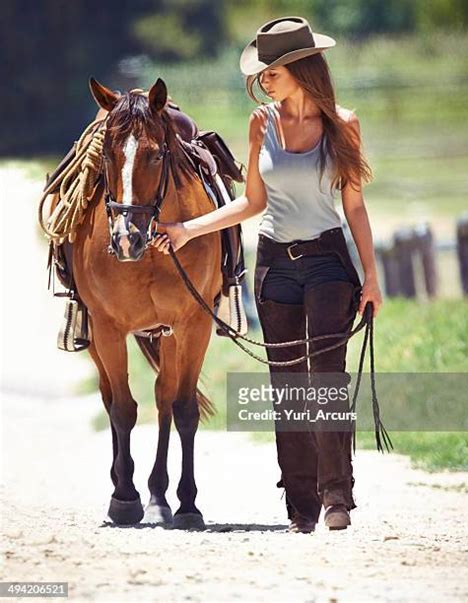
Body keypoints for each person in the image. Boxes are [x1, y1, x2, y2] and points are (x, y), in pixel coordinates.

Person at [153, 16, 383, 534]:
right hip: (275, 264)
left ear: (297, 68)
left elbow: (356, 207)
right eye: (262, 75)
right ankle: (299, 501)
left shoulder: (344, 124)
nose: (263, 82)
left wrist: (371, 276)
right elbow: (253, 202)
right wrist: (189, 228)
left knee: (326, 380)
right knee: (287, 388)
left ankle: (336, 496)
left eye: (271, 72)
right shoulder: (262, 125)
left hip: (328, 263)